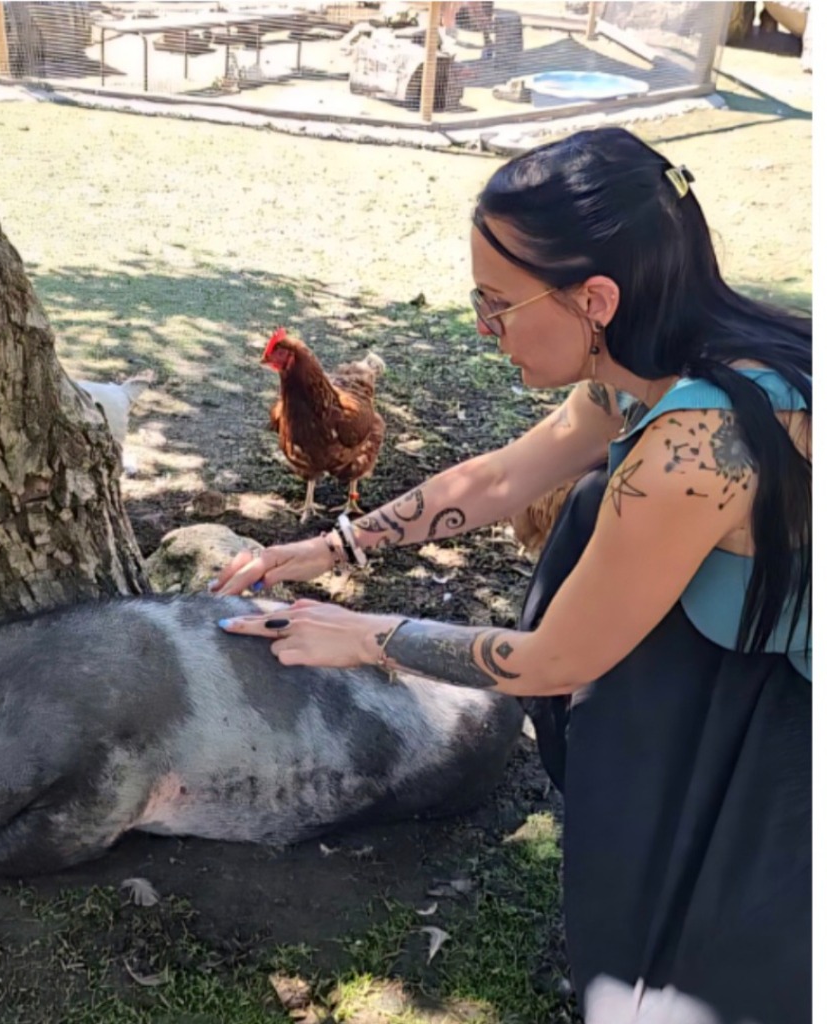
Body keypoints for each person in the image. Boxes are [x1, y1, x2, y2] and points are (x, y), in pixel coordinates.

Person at [211, 126, 812, 1024]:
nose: (485, 329)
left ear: (594, 298)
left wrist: (361, 638)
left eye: (496, 303)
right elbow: (500, 477)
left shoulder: (698, 445)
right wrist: (335, 547)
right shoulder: (651, 360)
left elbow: (552, 661)